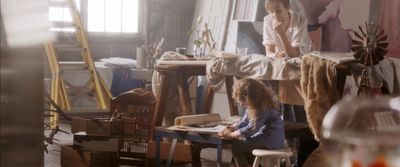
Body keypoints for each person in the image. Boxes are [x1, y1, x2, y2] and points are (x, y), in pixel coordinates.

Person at [218, 78, 285, 167]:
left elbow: (251, 129)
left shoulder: (262, 108)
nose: (241, 104)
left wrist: (232, 135)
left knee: (237, 145)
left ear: (250, 97)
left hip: (270, 140)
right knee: (246, 143)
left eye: (243, 101)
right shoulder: (254, 105)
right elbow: (244, 122)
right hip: (269, 138)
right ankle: (253, 165)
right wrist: (231, 128)